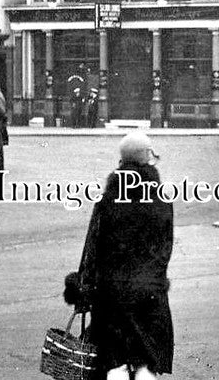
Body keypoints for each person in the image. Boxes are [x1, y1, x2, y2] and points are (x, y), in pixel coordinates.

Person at [73, 132, 174, 379]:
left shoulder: (108, 199)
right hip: (149, 290)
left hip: (112, 291)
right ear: (148, 158)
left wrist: (83, 284)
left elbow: (93, 246)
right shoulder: (161, 198)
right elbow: (165, 248)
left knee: (114, 358)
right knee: (146, 360)